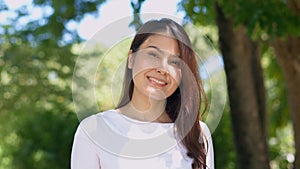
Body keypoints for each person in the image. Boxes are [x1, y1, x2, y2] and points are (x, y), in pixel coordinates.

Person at [71, 18, 214, 169]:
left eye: (174, 62)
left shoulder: (197, 133)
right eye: (153, 54)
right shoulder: (93, 130)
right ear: (131, 59)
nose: (163, 69)